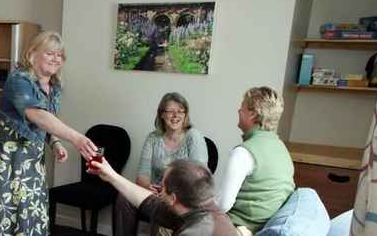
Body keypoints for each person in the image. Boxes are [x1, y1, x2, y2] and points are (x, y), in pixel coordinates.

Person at [0, 31, 99, 236]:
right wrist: (75, 137)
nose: (56, 58)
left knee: (31, 212)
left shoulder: (54, 86)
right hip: (7, 159)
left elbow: (48, 120)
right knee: (5, 211)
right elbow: (36, 114)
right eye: (50, 53)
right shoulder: (18, 80)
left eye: (60, 55)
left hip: (31, 158)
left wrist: (55, 143)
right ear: (32, 54)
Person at [114, 92, 208, 235]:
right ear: (162, 114)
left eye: (180, 111)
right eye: (170, 111)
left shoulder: (194, 137)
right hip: (157, 193)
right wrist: (148, 187)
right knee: (124, 197)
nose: (176, 115)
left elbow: (198, 179)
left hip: (181, 198)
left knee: (161, 208)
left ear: (186, 115)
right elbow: (142, 176)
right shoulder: (153, 138)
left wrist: (169, 194)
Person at [214, 86, 295, 234]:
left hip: (240, 227)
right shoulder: (280, 146)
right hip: (264, 222)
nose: (239, 111)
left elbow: (222, 205)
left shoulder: (243, 152)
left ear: (252, 114)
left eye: (242, 107)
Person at [90, 159, 237, 236]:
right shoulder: (199, 207)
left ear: (173, 198)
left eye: (162, 187)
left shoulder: (196, 231)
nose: (158, 191)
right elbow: (150, 202)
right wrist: (111, 176)